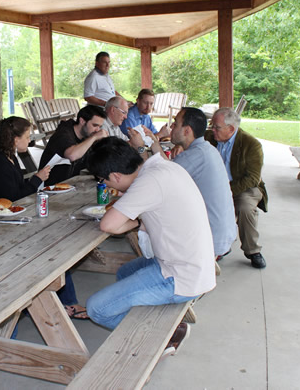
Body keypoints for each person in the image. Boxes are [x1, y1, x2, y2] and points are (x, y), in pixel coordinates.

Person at [84, 137, 215, 338]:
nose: (105, 184)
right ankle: (142, 317)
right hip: (194, 265)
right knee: (125, 272)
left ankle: (164, 336)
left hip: (181, 276)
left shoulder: (149, 182)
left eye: (104, 180)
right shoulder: (162, 166)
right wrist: (138, 220)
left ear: (116, 176)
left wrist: (134, 219)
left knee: (96, 309)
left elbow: (108, 225)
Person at [169, 107, 237, 260]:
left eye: (175, 123)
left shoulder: (195, 155)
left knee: (155, 219)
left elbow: (159, 180)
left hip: (209, 240)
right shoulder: (207, 149)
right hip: (224, 233)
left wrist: (142, 148)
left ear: (187, 131)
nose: (172, 127)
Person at [206, 107, 268, 269]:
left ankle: (252, 250)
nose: (212, 130)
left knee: (245, 207)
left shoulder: (251, 145)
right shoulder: (209, 138)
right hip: (215, 186)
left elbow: (253, 178)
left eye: (216, 127)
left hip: (243, 187)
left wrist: (227, 191)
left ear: (231, 129)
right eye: (212, 126)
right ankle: (218, 246)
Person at [0, 116, 51, 207]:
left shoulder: (10, 156)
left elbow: (18, 186)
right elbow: (14, 197)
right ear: (16, 140)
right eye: (27, 137)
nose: (29, 140)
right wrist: (37, 179)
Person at [38, 105, 108, 186]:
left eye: (100, 126)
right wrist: (94, 137)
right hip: (50, 188)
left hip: (70, 185)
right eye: (95, 125)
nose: (97, 130)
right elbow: (72, 155)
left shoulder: (87, 135)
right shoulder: (63, 134)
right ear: (82, 121)